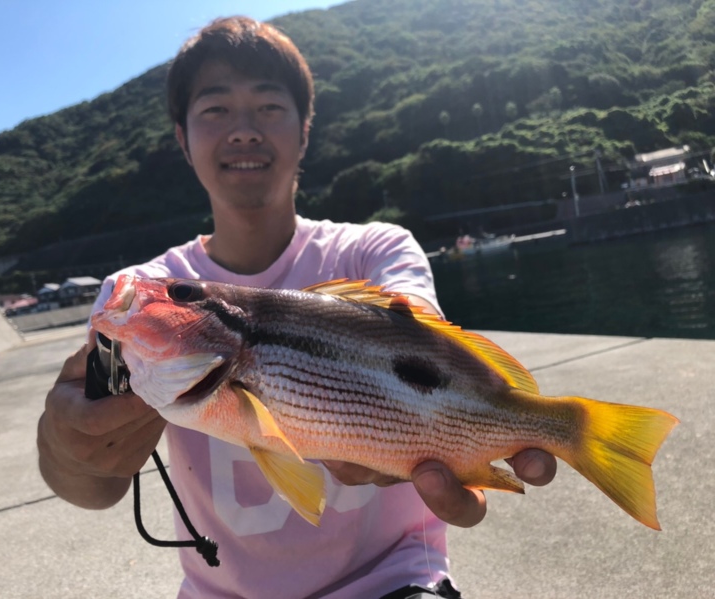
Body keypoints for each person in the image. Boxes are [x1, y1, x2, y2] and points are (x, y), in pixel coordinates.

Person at [36, 16, 557, 599]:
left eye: (268, 106)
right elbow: (95, 482)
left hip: (396, 577)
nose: (243, 131)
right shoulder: (138, 291)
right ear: (182, 138)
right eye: (215, 109)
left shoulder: (376, 250)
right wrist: (68, 446)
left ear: (305, 132)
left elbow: (422, 336)